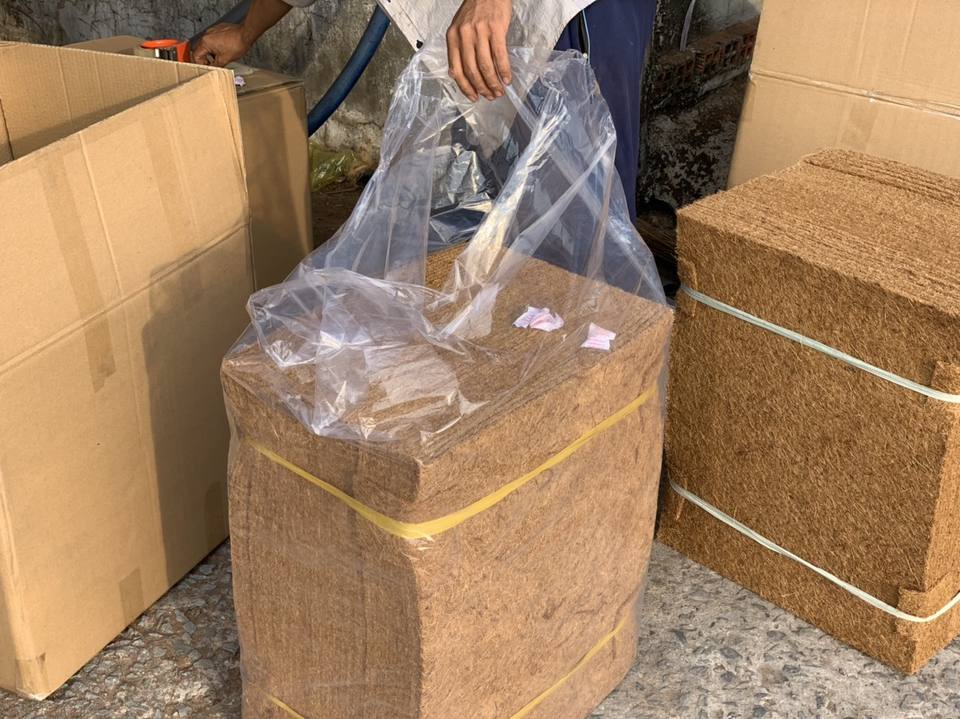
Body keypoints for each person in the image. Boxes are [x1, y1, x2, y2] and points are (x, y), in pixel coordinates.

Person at [192, 0, 656, 220]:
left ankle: (606, 366)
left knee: (585, 213)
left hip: (569, 11)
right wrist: (244, 31)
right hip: (478, 28)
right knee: (511, 214)